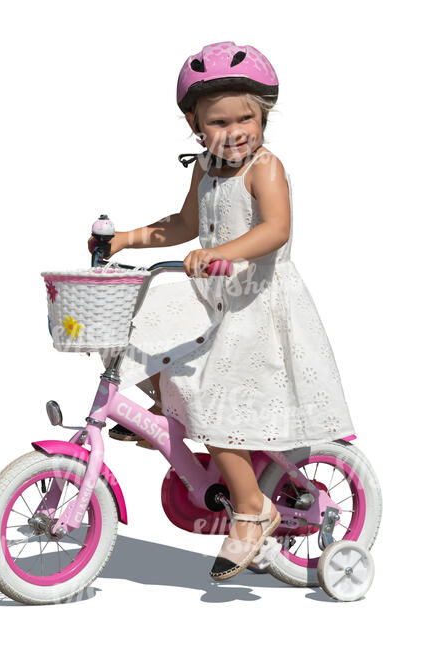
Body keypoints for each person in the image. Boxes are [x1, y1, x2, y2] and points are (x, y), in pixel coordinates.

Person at [88, 41, 356, 581]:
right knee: (140, 338)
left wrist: (221, 254)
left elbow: (276, 229)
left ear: (263, 116)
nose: (233, 132)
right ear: (194, 125)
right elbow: (184, 225)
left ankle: (254, 507)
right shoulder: (207, 168)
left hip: (256, 303)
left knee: (217, 400)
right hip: (213, 300)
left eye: (245, 119)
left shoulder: (267, 168)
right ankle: (169, 415)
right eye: (217, 122)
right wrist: (126, 239)